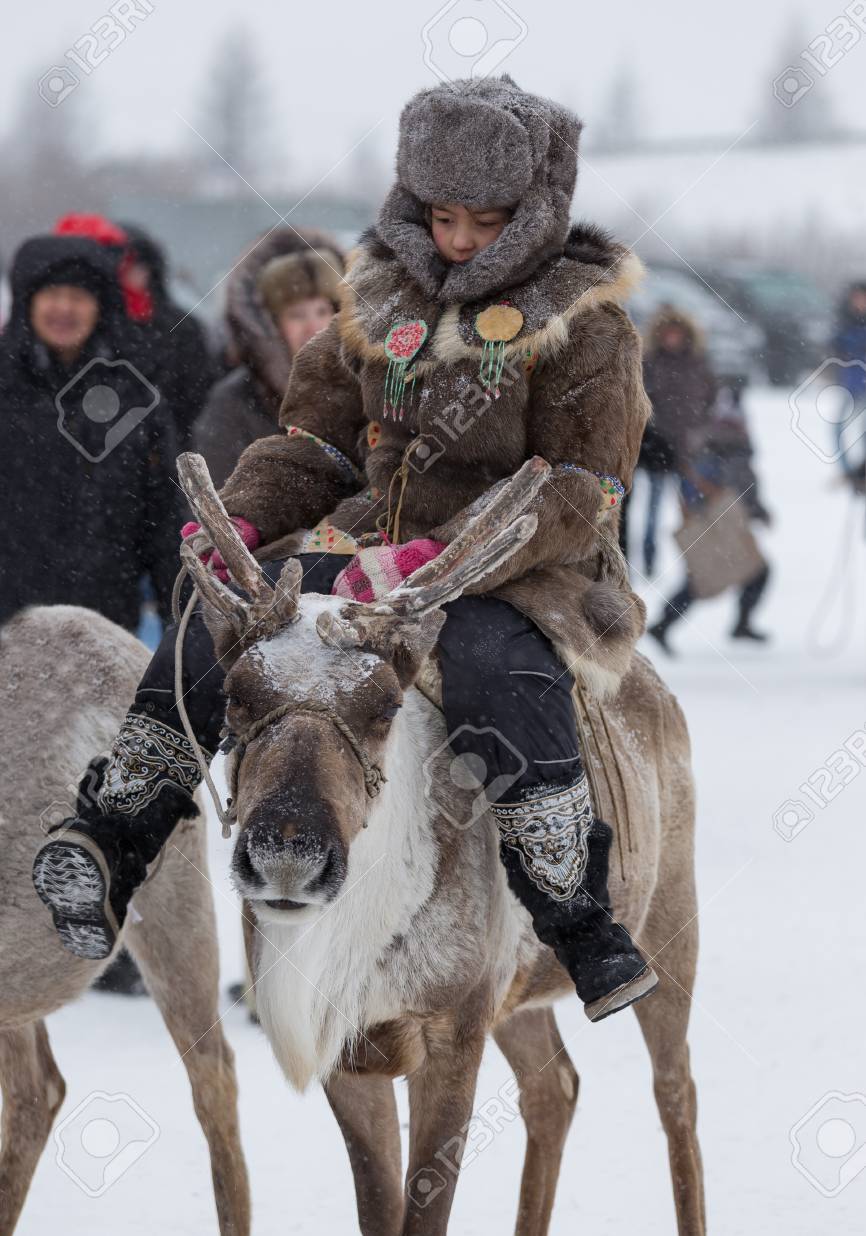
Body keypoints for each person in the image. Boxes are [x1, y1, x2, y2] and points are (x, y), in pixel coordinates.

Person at [34, 75, 660, 1023]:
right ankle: (113, 838)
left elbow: (582, 490)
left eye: (482, 221)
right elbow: (316, 444)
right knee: (217, 626)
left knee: (495, 670)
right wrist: (245, 516)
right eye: (441, 215)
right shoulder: (371, 301)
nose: (456, 240)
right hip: (363, 551)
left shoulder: (587, 326)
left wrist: (442, 555)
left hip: (525, 570)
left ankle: (575, 915)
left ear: (531, 214)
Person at [0, 232, 183, 631]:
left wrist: (182, 629)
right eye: (52, 294)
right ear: (27, 302)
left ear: (101, 307)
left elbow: (166, 521)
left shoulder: (134, 396)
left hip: (105, 624)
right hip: (8, 622)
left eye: (79, 296)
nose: (64, 308)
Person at [193, 229, 344, 486]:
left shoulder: (367, 389)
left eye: (322, 310)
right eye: (297, 315)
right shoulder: (236, 403)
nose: (314, 326)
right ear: (271, 325)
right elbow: (213, 500)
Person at [55, 215, 217, 450]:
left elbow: (197, 401)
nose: (131, 276)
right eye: (122, 268)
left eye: (138, 266)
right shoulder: (94, 329)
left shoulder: (182, 328)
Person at [648, 376, 772, 654]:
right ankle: (666, 624)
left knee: (751, 572)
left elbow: (744, 483)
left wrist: (756, 507)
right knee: (709, 579)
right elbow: (702, 487)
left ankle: (735, 624)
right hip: (717, 521)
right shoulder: (714, 447)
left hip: (728, 520)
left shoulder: (727, 444)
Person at [636, 306, 718, 576]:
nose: (672, 339)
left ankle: (696, 563)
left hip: (690, 449)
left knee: (692, 510)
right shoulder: (649, 363)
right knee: (653, 511)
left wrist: (699, 434)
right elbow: (641, 403)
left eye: (676, 334)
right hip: (659, 450)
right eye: (667, 334)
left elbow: (710, 401)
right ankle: (649, 559)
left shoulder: (698, 364)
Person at [829, 281, 866, 476]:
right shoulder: (845, 321)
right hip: (851, 385)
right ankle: (847, 472)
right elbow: (837, 346)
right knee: (837, 428)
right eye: (856, 297)